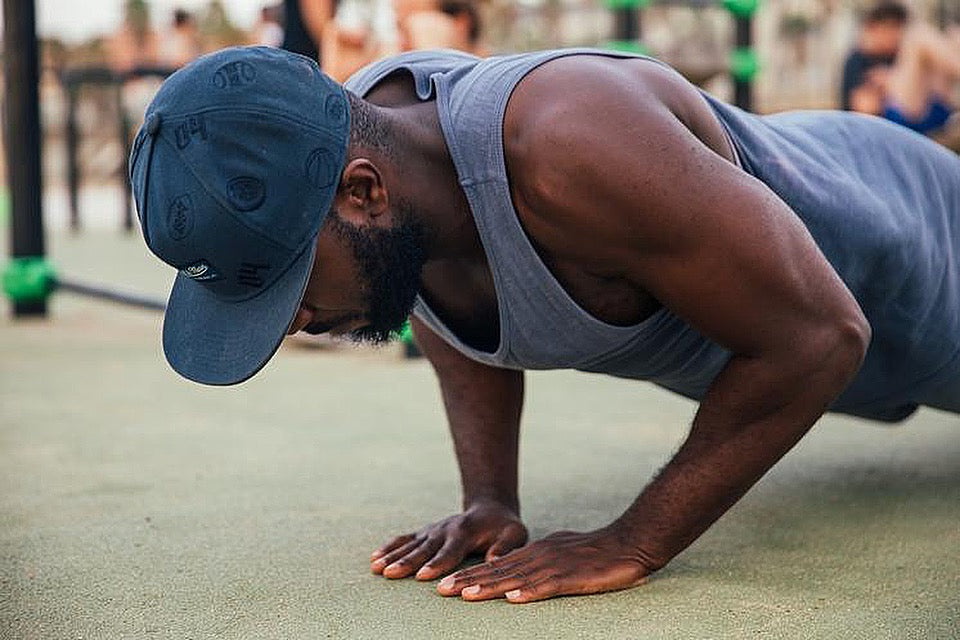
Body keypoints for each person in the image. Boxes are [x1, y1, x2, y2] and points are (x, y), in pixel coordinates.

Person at [129, 46, 960, 604]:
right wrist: (491, 496)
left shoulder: (570, 142)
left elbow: (819, 338)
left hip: (917, 244)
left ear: (364, 192)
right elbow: (438, 285)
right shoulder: (374, 153)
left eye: (290, 287)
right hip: (817, 319)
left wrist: (636, 539)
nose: (294, 325)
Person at [842, 2, 960, 135]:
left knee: (955, 36)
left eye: (898, 28)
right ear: (874, 28)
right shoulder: (859, 59)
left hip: (932, 109)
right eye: (890, 28)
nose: (896, 35)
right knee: (919, 37)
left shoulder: (898, 53)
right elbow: (864, 111)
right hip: (893, 124)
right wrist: (888, 85)